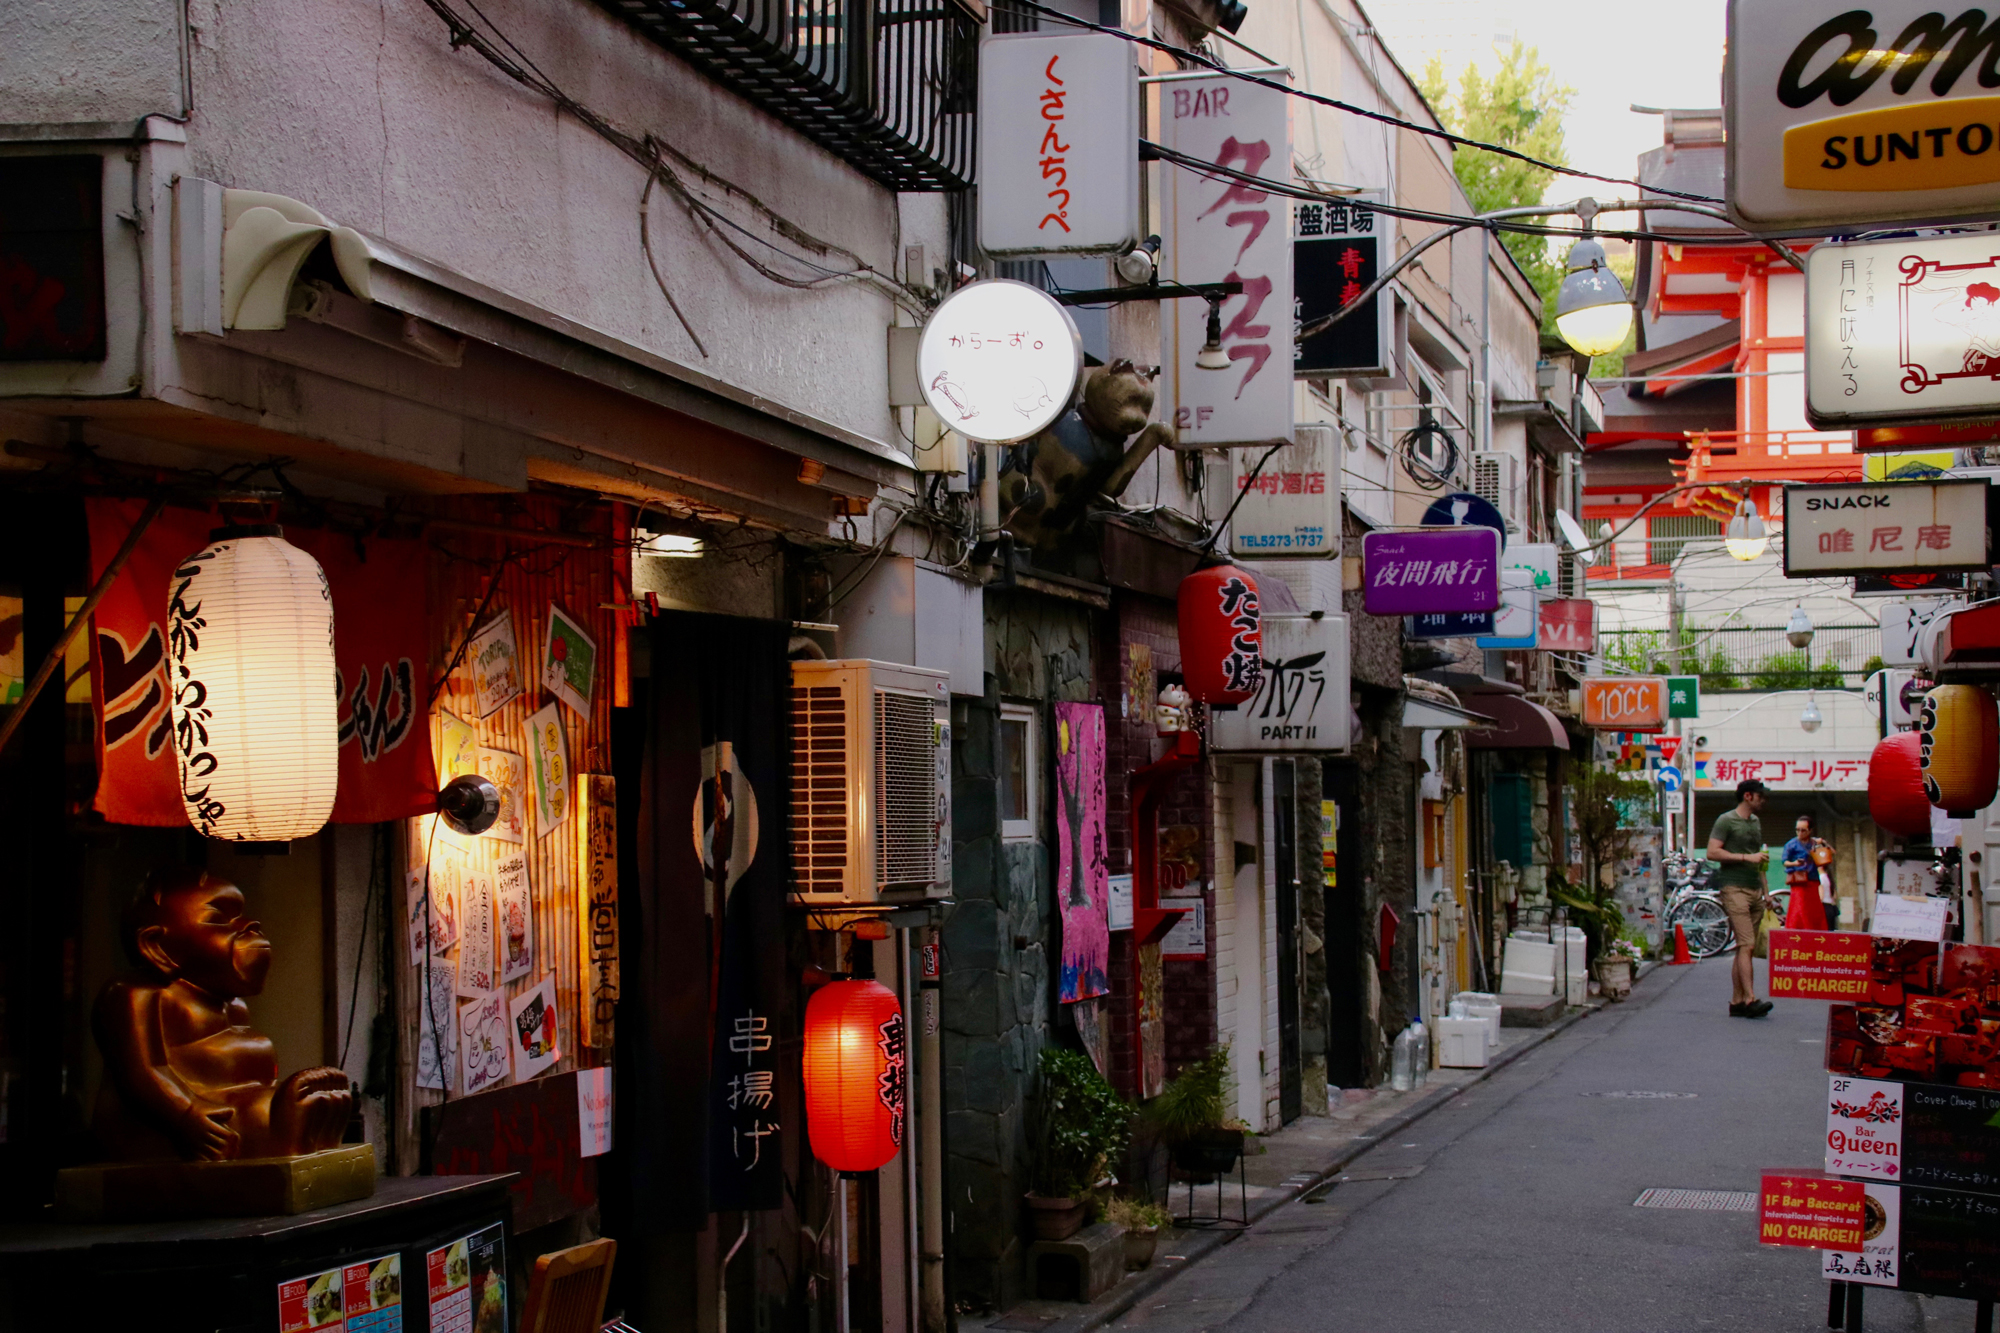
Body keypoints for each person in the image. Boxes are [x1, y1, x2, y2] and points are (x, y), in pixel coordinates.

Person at [1707, 779, 1774, 1017]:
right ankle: (1750, 999)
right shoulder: (1726, 820)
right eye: (1760, 796)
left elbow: (1761, 859)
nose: (1763, 800)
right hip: (1733, 888)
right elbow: (1712, 852)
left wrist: (1766, 892)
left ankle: (1736, 1001)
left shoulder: (1755, 822)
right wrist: (1746, 859)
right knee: (1747, 944)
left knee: (1744, 947)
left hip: (1754, 888)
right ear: (1748, 796)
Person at [1783, 815, 1839, 930]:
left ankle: (1814, 930)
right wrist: (1795, 864)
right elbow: (1785, 861)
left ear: (1810, 830)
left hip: (1812, 880)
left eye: (1803, 830)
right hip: (1799, 880)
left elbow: (1832, 852)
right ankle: (1798, 930)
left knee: (1813, 908)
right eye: (1797, 830)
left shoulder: (1814, 843)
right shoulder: (1791, 844)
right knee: (1799, 908)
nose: (1800, 833)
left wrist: (1823, 842)